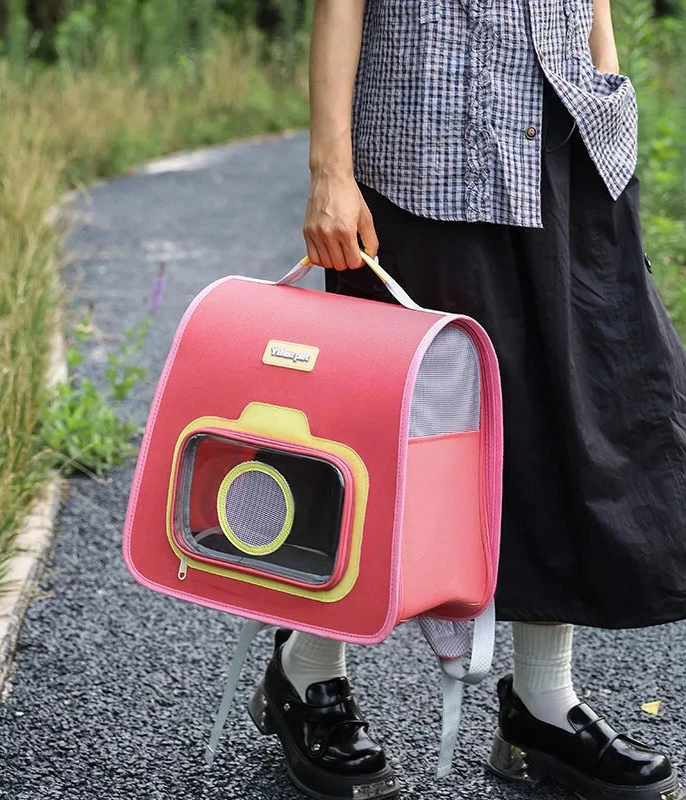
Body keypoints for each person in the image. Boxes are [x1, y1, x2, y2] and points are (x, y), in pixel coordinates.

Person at [248, 2, 686, 800]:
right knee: (378, 430)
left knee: (563, 423)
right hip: (419, 163)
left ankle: (542, 706)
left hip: (566, 155)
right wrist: (329, 173)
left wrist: (607, 103)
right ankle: (306, 669)